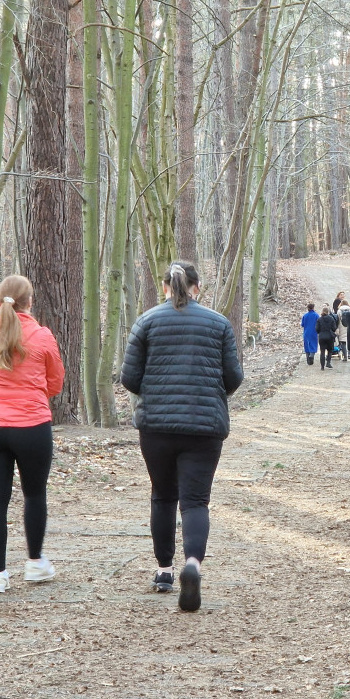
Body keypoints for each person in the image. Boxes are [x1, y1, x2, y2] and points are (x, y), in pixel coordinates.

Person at [121, 261, 244, 612]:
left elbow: (129, 378)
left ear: (165, 287)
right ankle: (193, 564)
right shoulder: (218, 323)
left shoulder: (146, 321)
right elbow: (233, 378)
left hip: (157, 425)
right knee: (195, 501)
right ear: (197, 287)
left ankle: (164, 571)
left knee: (162, 496)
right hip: (204, 426)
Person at [0, 275, 65, 594]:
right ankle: (35, 563)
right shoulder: (41, 336)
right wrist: (32, 394)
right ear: (31, 301)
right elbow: (55, 383)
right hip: (31, 425)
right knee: (34, 494)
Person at [316, 305, 338, 370]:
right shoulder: (331, 318)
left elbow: (317, 329)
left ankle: (322, 367)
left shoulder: (319, 319)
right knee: (330, 350)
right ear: (328, 312)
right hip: (329, 336)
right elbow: (334, 328)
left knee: (322, 352)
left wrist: (320, 332)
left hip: (322, 337)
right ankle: (328, 362)